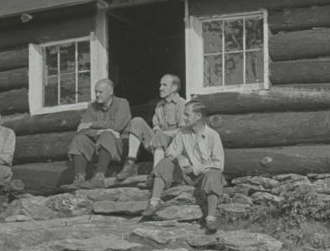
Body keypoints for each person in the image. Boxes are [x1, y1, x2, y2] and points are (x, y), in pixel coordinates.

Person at [141, 100, 225, 233]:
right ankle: (154, 202)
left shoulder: (213, 136)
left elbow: (218, 164)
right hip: (185, 176)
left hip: (204, 178)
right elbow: (170, 152)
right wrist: (179, 157)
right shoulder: (182, 133)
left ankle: (211, 218)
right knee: (166, 162)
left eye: (186, 115)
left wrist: (196, 168)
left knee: (214, 174)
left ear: (198, 116)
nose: (183, 118)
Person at [116, 73, 188, 181]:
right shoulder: (159, 105)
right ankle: (130, 162)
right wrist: (156, 129)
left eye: (164, 85)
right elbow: (156, 125)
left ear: (174, 88)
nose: (160, 88)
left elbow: (183, 131)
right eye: (160, 85)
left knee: (160, 137)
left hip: (174, 148)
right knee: (137, 121)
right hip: (157, 145)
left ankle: (156, 175)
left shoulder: (183, 104)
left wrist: (162, 134)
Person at [66, 78, 131, 188]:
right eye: (96, 92)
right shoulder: (92, 107)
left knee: (107, 135)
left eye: (100, 92)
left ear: (110, 92)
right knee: (79, 140)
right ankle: (79, 178)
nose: (97, 95)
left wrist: (92, 124)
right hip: (98, 148)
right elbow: (82, 129)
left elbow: (117, 126)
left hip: (120, 148)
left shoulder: (122, 103)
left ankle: (99, 177)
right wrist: (99, 132)